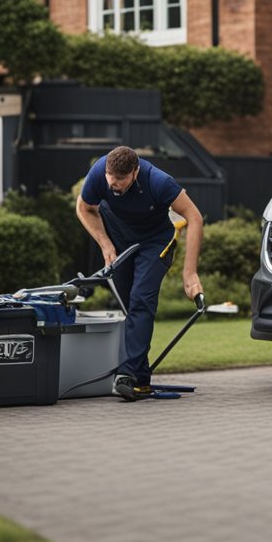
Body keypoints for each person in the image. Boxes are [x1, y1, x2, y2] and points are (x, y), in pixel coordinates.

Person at [77, 146, 204, 400]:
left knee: (140, 299)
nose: (113, 184)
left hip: (155, 241)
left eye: (120, 180)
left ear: (134, 173)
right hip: (118, 236)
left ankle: (128, 375)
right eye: (110, 177)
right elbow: (84, 208)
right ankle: (141, 380)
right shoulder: (99, 173)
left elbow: (194, 216)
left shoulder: (158, 181)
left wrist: (189, 274)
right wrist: (105, 243)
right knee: (130, 306)